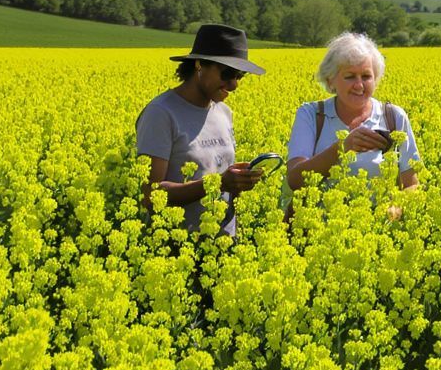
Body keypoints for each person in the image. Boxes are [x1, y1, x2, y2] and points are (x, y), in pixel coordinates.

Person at [136, 23, 265, 235]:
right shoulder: (160, 113)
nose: (234, 85)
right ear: (199, 65)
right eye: (227, 73)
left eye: (239, 76)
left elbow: (221, 179)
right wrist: (218, 183)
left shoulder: (224, 113)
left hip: (224, 248)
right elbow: (151, 195)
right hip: (176, 247)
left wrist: (238, 182)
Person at [287, 32, 420, 198]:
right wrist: (343, 147)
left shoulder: (394, 117)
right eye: (349, 76)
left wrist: (397, 208)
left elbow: (412, 183)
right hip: (321, 222)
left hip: (381, 222)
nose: (359, 85)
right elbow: (294, 180)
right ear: (330, 81)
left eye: (366, 76)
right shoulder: (311, 115)